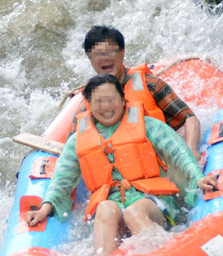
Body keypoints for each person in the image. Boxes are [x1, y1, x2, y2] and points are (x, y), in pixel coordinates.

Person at [26, 74, 218, 256]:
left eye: (112, 99)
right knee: (105, 208)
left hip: (152, 202)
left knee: (135, 211)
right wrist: (45, 208)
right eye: (99, 101)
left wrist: (198, 177)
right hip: (113, 206)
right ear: (89, 105)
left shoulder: (148, 125)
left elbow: (179, 153)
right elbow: (62, 180)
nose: (106, 106)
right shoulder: (77, 141)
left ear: (123, 100)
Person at [73, 25, 202, 159]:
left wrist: (191, 149)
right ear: (91, 60)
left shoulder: (151, 85)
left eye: (111, 51)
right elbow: (71, 147)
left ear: (122, 53)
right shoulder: (87, 104)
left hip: (159, 165)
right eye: (98, 54)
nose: (105, 58)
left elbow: (189, 117)